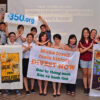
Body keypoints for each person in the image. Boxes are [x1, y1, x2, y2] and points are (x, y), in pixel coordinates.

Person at [78, 27, 93, 94]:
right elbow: (81, 52)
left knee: (89, 74)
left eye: (87, 32)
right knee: (85, 74)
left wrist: (84, 48)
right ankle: (85, 88)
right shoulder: (80, 41)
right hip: (83, 60)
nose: (86, 34)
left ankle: (89, 88)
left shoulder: (92, 41)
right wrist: (89, 47)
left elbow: (94, 51)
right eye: (84, 32)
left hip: (91, 60)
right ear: (82, 34)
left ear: (89, 33)